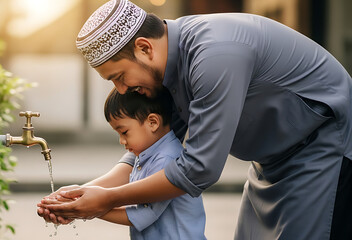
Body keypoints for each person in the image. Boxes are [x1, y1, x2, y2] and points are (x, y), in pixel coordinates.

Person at [38, 0, 352, 239]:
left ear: (144, 47)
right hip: (270, 163)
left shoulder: (213, 55)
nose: (121, 89)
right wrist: (81, 195)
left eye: (119, 76)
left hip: (322, 150)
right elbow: (149, 148)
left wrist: (105, 201)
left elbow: (199, 168)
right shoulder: (171, 60)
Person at [103, 88, 207, 239]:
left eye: (124, 132)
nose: (121, 141)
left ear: (153, 122)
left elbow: (144, 214)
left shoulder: (167, 159)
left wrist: (94, 209)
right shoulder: (147, 154)